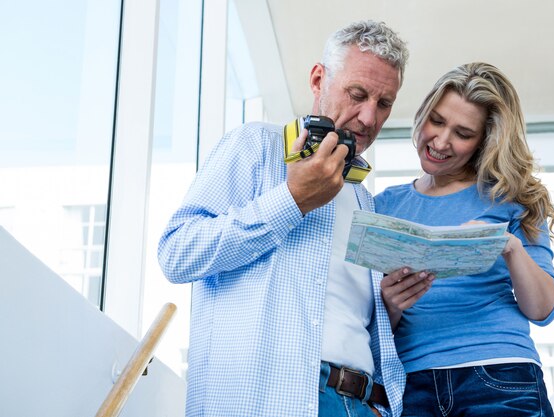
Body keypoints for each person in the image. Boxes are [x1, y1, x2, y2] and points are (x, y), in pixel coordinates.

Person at [158, 20, 431, 417]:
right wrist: (292, 199)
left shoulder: (364, 200)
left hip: (363, 403)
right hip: (272, 402)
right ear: (319, 80)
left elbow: (348, 319)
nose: (369, 118)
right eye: (357, 94)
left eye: (384, 103)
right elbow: (177, 254)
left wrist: (387, 305)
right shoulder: (254, 147)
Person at [376, 62, 554, 417]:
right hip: (411, 385)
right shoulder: (384, 205)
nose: (441, 141)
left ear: (483, 142)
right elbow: (375, 326)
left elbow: (543, 310)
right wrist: (392, 304)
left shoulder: (512, 198)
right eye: (437, 120)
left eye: (463, 133)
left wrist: (508, 246)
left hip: (499, 373)